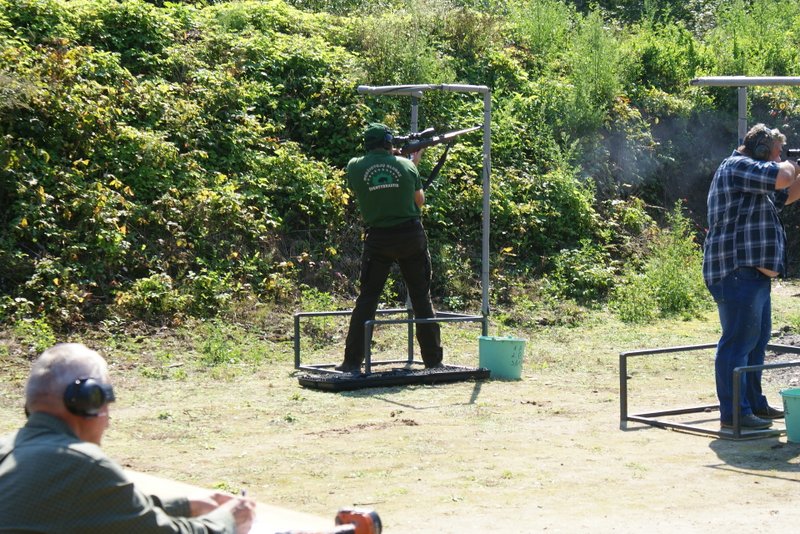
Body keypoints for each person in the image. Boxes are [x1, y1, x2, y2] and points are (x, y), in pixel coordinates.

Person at [0, 343, 256, 533]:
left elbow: (102, 508)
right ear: (89, 400)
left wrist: (185, 506)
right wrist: (228, 519)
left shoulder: (7, 448)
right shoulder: (83, 464)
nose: (108, 420)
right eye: (106, 402)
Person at [703, 124, 800, 429]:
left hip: (751, 276)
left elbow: (787, 192)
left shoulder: (754, 180)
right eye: (777, 153)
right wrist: (789, 165)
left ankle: (753, 404)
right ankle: (735, 414)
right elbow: (783, 176)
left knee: (756, 342)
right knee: (738, 343)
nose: (780, 158)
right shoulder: (738, 166)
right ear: (761, 151)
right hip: (735, 271)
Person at [337, 123, 443, 373]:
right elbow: (419, 200)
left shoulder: (354, 166)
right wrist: (412, 162)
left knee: (367, 299)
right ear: (388, 142)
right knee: (421, 298)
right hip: (410, 236)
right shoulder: (407, 166)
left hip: (378, 238)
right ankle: (433, 362)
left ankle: (351, 362)